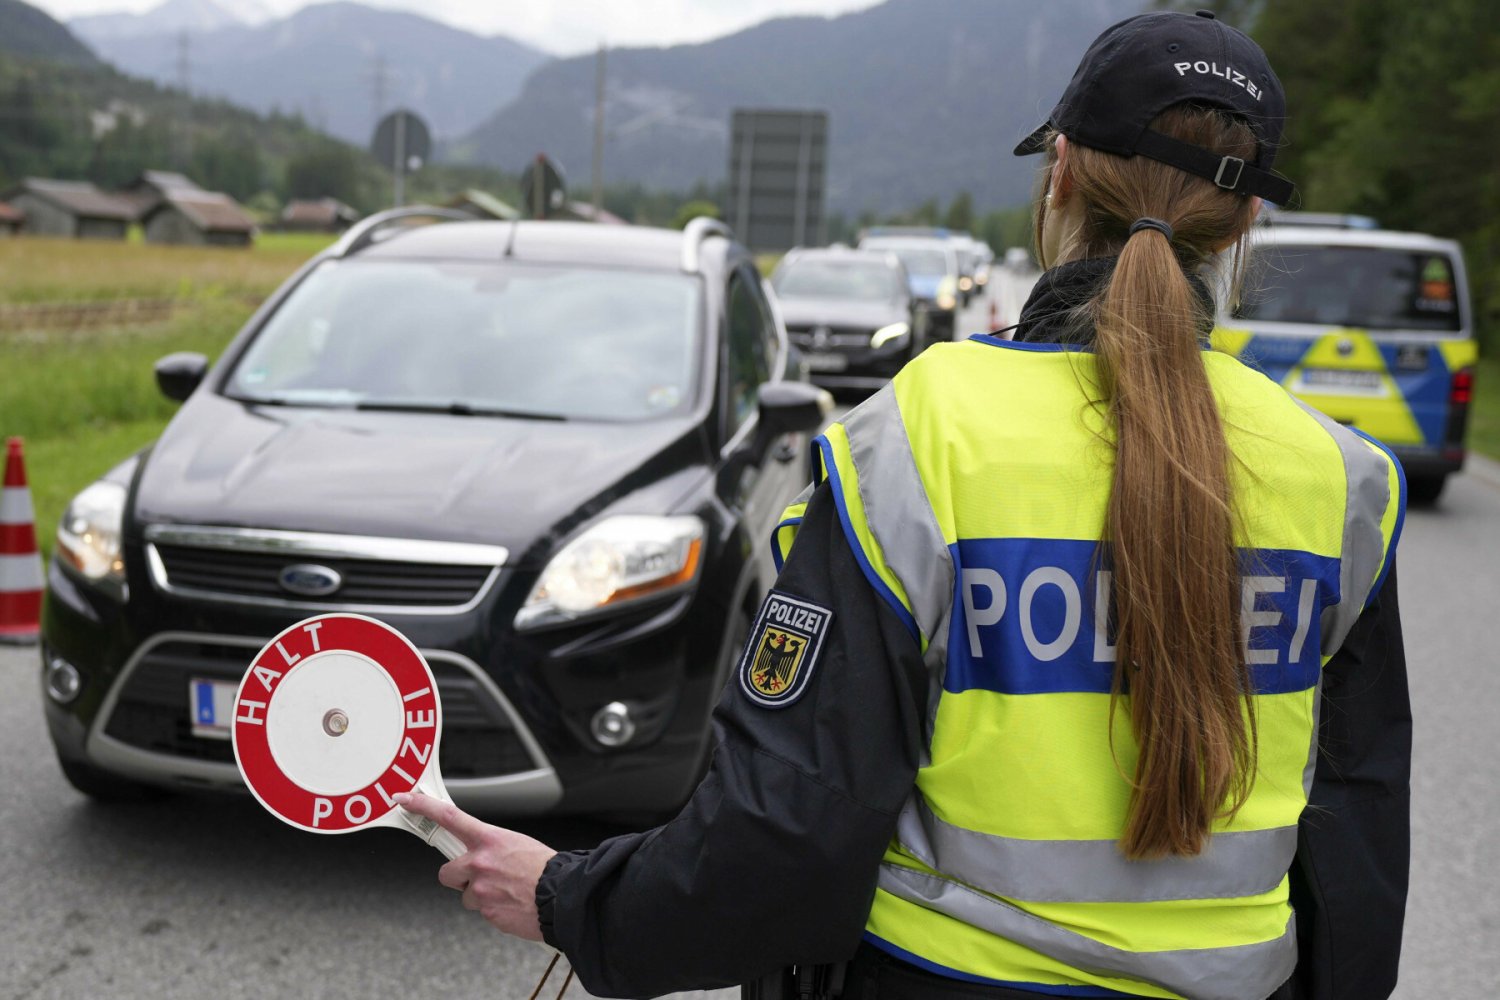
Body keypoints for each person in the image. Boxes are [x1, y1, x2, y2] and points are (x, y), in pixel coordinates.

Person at [397, 11, 1410, 999]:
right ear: (1247, 219)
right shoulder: (1340, 477)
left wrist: (575, 898)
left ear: (1059, 170)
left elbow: (789, 823)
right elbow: (1354, 849)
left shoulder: (920, 433)